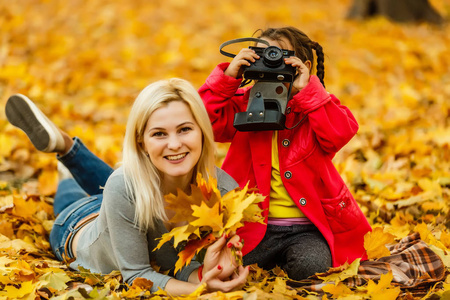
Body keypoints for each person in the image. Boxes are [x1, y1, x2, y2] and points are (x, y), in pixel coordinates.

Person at [5, 78, 249, 295]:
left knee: (128, 183)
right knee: (98, 190)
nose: (174, 144)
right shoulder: (123, 186)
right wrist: (201, 291)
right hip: (77, 225)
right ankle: (66, 172)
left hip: (126, 203)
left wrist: (208, 275)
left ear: (203, 133)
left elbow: (183, 266)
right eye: (159, 134)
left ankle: (69, 153)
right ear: (141, 142)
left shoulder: (224, 193)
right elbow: (137, 275)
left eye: (185, 129)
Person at [198, 26, 372, 281]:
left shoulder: (314, 105)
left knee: (311, 268)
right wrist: (227, 78)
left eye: (279, 56)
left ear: (304, 65)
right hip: (252, 227)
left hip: (306, 230)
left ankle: (284, 264)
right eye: (263, 54)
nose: (270, 61)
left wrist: (309, 91)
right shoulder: (242, 102)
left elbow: (340, 133)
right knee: (227, 271)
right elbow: (203, 121)